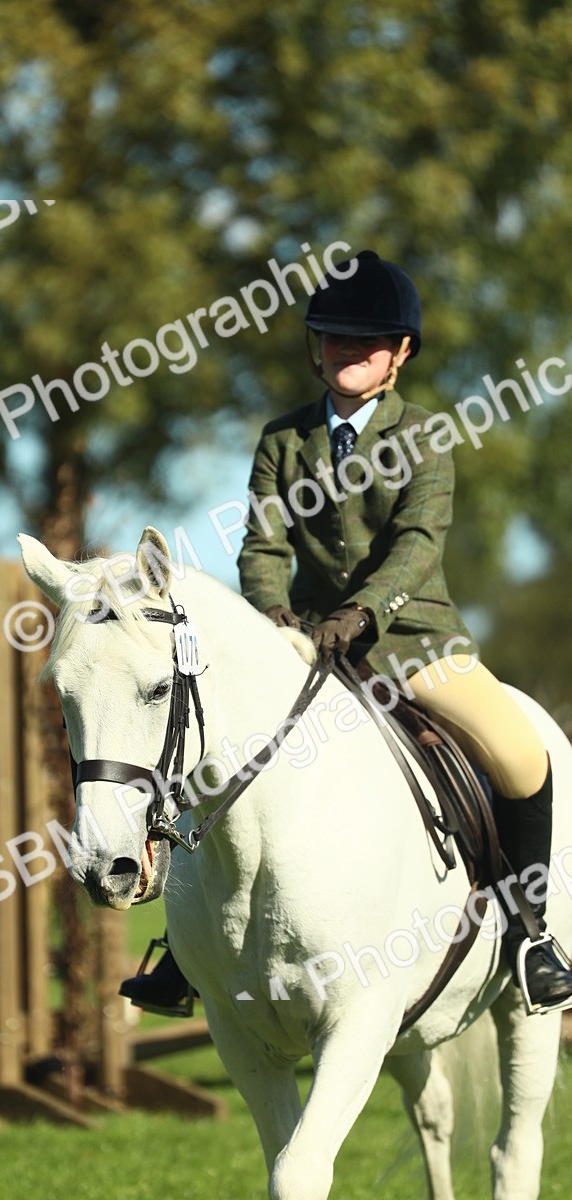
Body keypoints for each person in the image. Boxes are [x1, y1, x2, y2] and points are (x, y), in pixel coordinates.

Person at [120, 249, 572, 1017]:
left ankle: (531, 932)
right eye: (335, 337)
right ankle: (188, 951)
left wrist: (362, 613)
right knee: (212, 750)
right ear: (315, 346)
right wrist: (271, 619)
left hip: (415, 641)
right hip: (302, 644)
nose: (348, 352)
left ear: (399, 356)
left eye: (368, 343)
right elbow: (261, 545)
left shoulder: (426, 434)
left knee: (523, 755)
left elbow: (418, 544)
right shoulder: (282, 441)